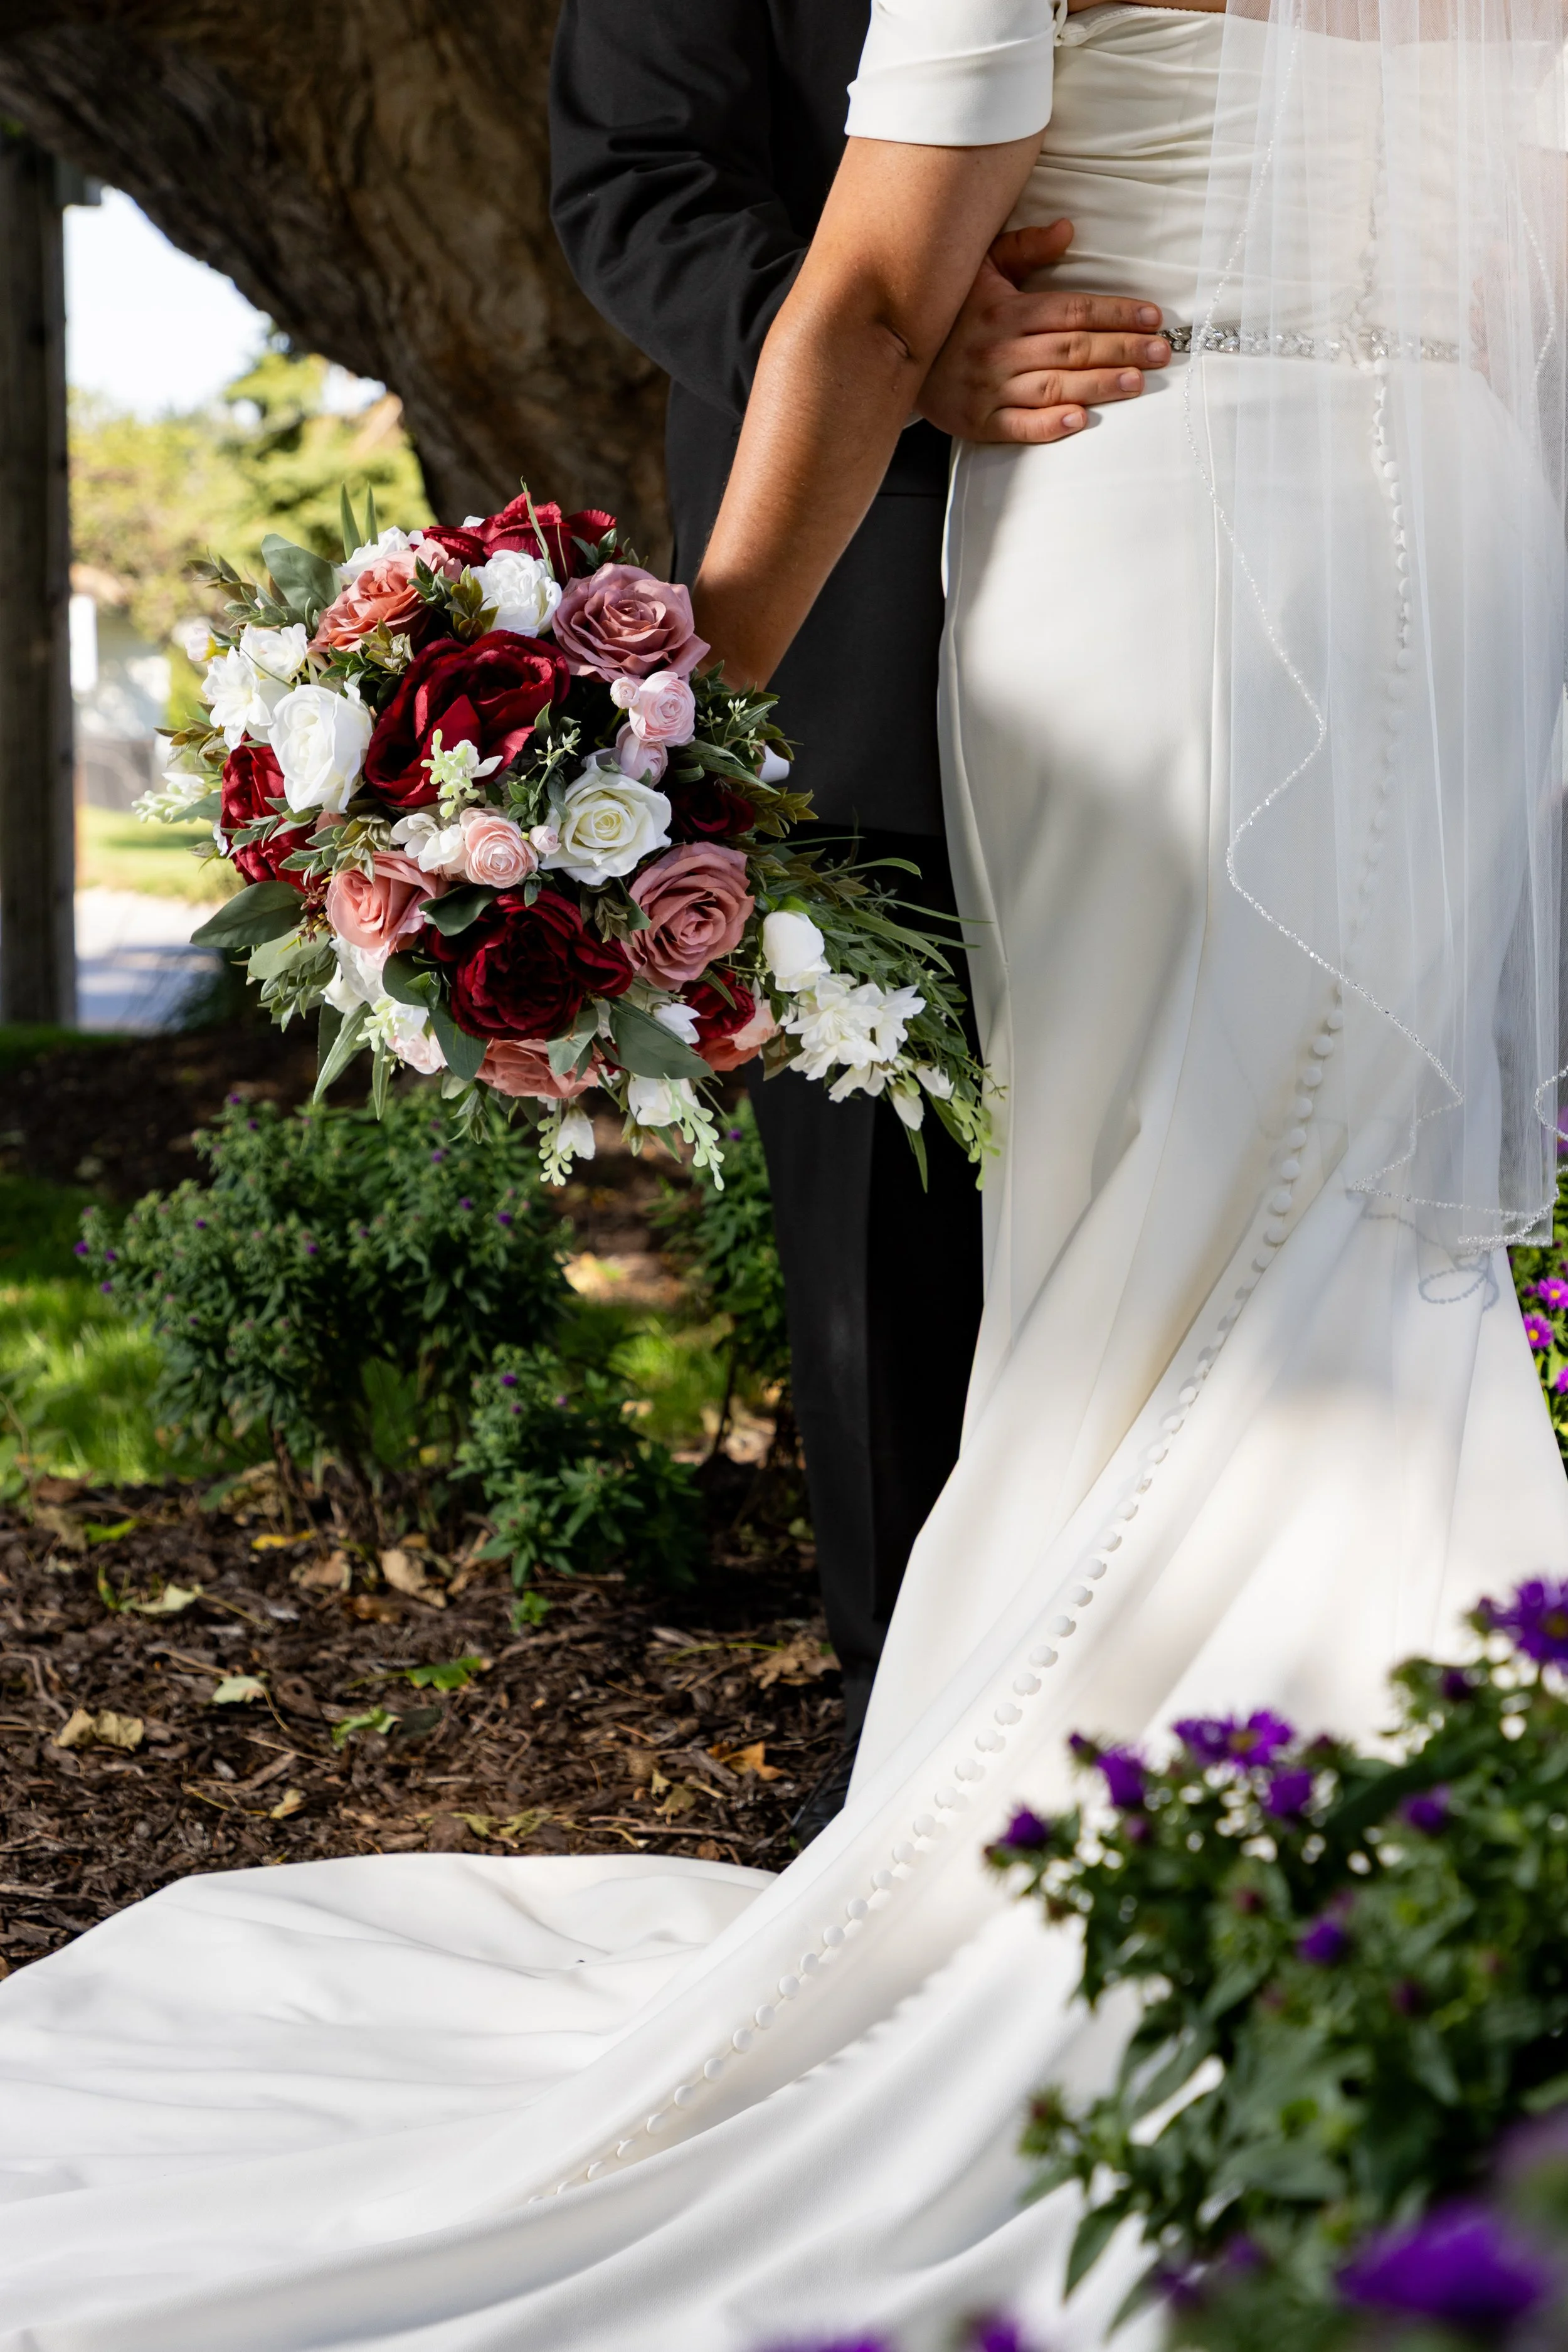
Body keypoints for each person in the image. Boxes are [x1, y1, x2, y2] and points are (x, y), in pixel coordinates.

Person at [1, 0, 1564, 2344]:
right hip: (1451, 549)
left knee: (1139, 1259)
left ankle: (1153, 1872)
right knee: (1354, 1235)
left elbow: (855, 299)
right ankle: (1420, 1852)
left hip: (1160, 541)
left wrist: (649, 721)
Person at [550, 0, 1172, 1746]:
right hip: (863, 602)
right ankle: (901, 1727)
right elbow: (635, 176)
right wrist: (903, 364)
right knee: (883, 1201)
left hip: (1236, 557)